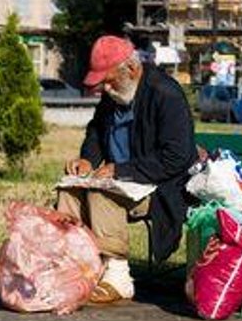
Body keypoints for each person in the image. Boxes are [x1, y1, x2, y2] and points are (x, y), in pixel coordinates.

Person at [60, 36, 197, 304]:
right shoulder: (115, 93)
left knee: (102, 196)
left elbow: (176, 156)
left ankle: (117, 276)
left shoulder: (165, 94)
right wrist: (87, 160)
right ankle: (74, 264)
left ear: (132, 70)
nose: (105, 89)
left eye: (109, 81)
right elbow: (97, 131)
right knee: (69, 190)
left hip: (161, 186)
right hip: (125, 179)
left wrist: (120, 169)